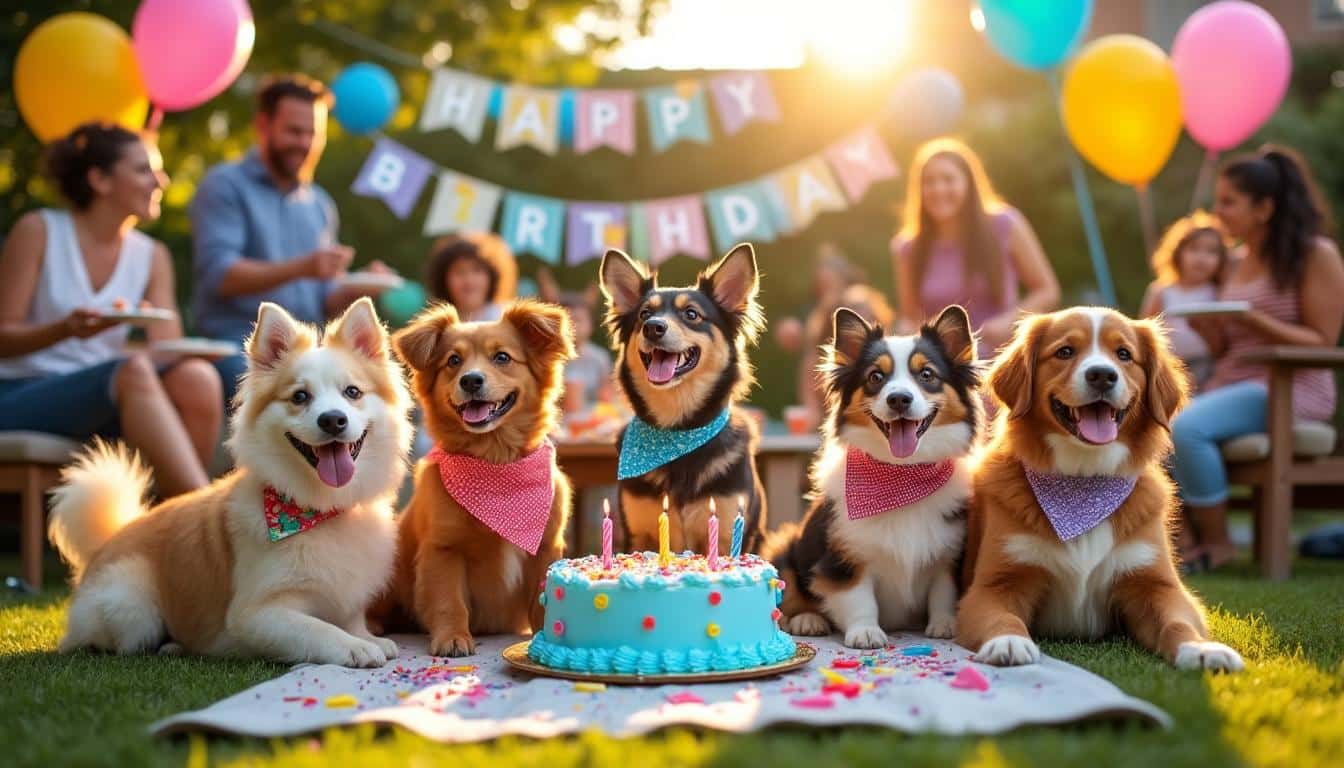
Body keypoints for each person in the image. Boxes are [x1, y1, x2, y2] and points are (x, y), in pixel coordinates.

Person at [0, 123, 221, 497]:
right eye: (143, 169)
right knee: (131, 371)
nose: (160, 181)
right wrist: (65, 329)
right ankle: (201, 513)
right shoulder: (38, 231)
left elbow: (167, 349)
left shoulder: (152, 255)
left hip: (104, 395)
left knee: (197, 378)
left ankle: (169, 532)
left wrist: (163, 341)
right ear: (99, 179)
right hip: (21, 394)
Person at [1172, 145, 1344, 571]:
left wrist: (1255, 321)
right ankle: (1179, 542)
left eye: (1229, 202)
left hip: (1290, 388)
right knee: (1149, 418)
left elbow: (1323, 340)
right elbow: (1230, 348)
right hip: (1232, 384)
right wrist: (1211, 334)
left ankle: (1219, 542)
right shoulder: (1234, 262)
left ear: (1264, 208)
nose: (1218, 211)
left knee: (1188, 427)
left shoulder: (1315, 255)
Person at [191, 74, 393, 406]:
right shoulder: (225, 186)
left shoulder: (319, 204)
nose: (304, 143)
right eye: (294, 131)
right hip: (237, 348)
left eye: (313, 134)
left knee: (378, 389)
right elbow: (220, 276)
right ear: (263, 125)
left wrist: (356, 288)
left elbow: (325, 301)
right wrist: (303, 267)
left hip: (310, 354)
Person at [890, 138, 1059, 353]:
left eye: (948, 179)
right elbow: (910, 316)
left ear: (969, 184)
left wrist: (1009, 321)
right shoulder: (907, 247)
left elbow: (1047, 290)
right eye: (929, 181)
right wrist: (907, 330)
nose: (938, 189)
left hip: (1001, 358)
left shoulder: (1005, 224)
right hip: (942, 369)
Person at [1139, 211, 1229, 387]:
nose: (1201, 258)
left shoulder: (1218, 293)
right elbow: (1144, 335)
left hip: (1208, 367)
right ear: (1178, 252)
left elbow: (1223, 340)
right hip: (1168, 366)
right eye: (1194, 249)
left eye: (1211, 251)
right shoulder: (1161, 291)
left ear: (1222, 260)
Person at [423, 232, 518, 322]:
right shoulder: (436, 326)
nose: (469, 281)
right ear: (443, 279)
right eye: (459, 272)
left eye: (477, 270)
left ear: (492, 276)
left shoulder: (508, 320)